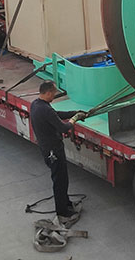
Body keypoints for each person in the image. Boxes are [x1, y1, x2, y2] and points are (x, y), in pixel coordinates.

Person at [31, 81, 87, 226]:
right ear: (48, 92)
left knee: (62, 179)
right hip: (54, 150)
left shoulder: (36, 105)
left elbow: (56, 115)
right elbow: (63, 128)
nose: (54, 96)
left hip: (46, 149)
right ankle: (62, 211)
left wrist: (74, 112)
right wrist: (74, 119)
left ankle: (65, 202)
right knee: (60, 181)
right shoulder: (45, 109)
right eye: (54, 93)